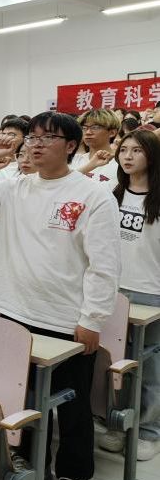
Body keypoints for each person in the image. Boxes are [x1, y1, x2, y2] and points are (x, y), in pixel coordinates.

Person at [0, 112, 121, 480]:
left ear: (72, 146)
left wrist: (92, 319)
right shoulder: (13, 187)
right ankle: (30, 461)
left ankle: (74, 477)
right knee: (24, 396)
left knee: (73, 405)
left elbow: (103, 265)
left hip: (65, 320)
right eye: (32, 136)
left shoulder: (92, 194)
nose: (36, 143)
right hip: (13, 311)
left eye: (49, 137)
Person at [98, 131, 160, 461]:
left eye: (137, 150)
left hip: (151, 292)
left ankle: (149, 430)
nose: (128, 156)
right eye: (123, 149)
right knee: (115, 364)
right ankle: (117, 424)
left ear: (152, 155)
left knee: (150, 367)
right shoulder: (112, 193)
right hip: (113, 290)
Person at [75, 109, 121, 185]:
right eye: (84, 128)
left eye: (95, 127)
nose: (88, 132)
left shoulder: (121, 163)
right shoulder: (74, 160)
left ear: (112, 132)